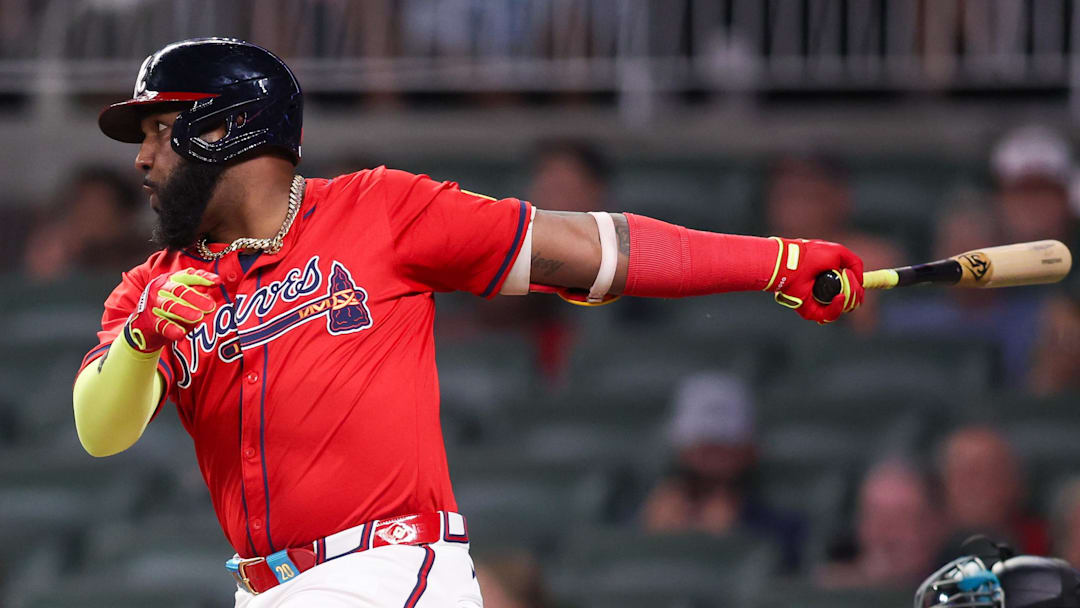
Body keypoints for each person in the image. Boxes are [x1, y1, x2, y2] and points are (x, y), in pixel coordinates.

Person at [71, 38, 865, 607]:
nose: (143, 158)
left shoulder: (378, 210)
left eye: (160, 131)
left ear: (227, 128)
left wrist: (775, 259)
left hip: (386, 572)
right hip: (264, 587)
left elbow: (586, 248)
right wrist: (143, 340)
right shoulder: (152, 288)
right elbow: (99, 432)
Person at [641, 371, 805, 571]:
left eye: (723, 444)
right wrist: (650, 541)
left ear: (750, 448)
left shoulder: (783, 530)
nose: (710, 455)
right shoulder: (649, 512)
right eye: (701, 444)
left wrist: (729, 543)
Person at [764, 154, 904, 334]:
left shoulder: (873, 258)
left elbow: (870, 333)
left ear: (840, 197)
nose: (797, 208)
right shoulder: (753, 257)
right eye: (788, 193)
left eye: (809, 195)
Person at [819, 459, 945, 589]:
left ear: (935, 525)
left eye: (901, 518)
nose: (885, 534)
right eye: (874, 517)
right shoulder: (829, 590)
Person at [937, 427, 1049, 560]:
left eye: (992, 473)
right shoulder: (919, 546)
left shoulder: (1049, 543)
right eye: (967, 474)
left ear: (1015, 482)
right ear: (942, 483)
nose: (978, 486)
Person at [22, 166, 149, 281]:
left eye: (97, 207)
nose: (85, 215)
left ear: (123, 215)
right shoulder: (62, 250)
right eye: (80, 205)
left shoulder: (143, 258)